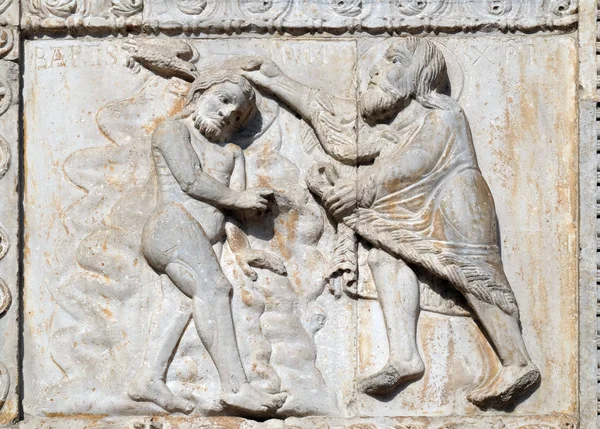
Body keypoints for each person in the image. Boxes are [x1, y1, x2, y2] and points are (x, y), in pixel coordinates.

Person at [239, 38, 540, 408]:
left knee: (475, 276)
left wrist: (361, 188)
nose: (377, 71)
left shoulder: (444, 113)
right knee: (384, 257)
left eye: (394, 60)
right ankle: (405, 357)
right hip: (406, 204)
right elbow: (337, 122)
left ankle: (517, 362)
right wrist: (277, 80)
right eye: (377, 64)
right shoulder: (388, 124)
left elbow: (417, 160)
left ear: (420, 75)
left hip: (453, 201)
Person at [128, 67, 287, 416]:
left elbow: (233, 210)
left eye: (238, 113)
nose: (228, 112)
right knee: (215, 289)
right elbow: (190, 181)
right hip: (170, 226)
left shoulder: (232, 154)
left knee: (181, 304)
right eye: (224, 100)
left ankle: (148, 379)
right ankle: (235, 388)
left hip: (202, 239)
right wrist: (239, 199)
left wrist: (244, 250)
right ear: (200, 95)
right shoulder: (173, 130)